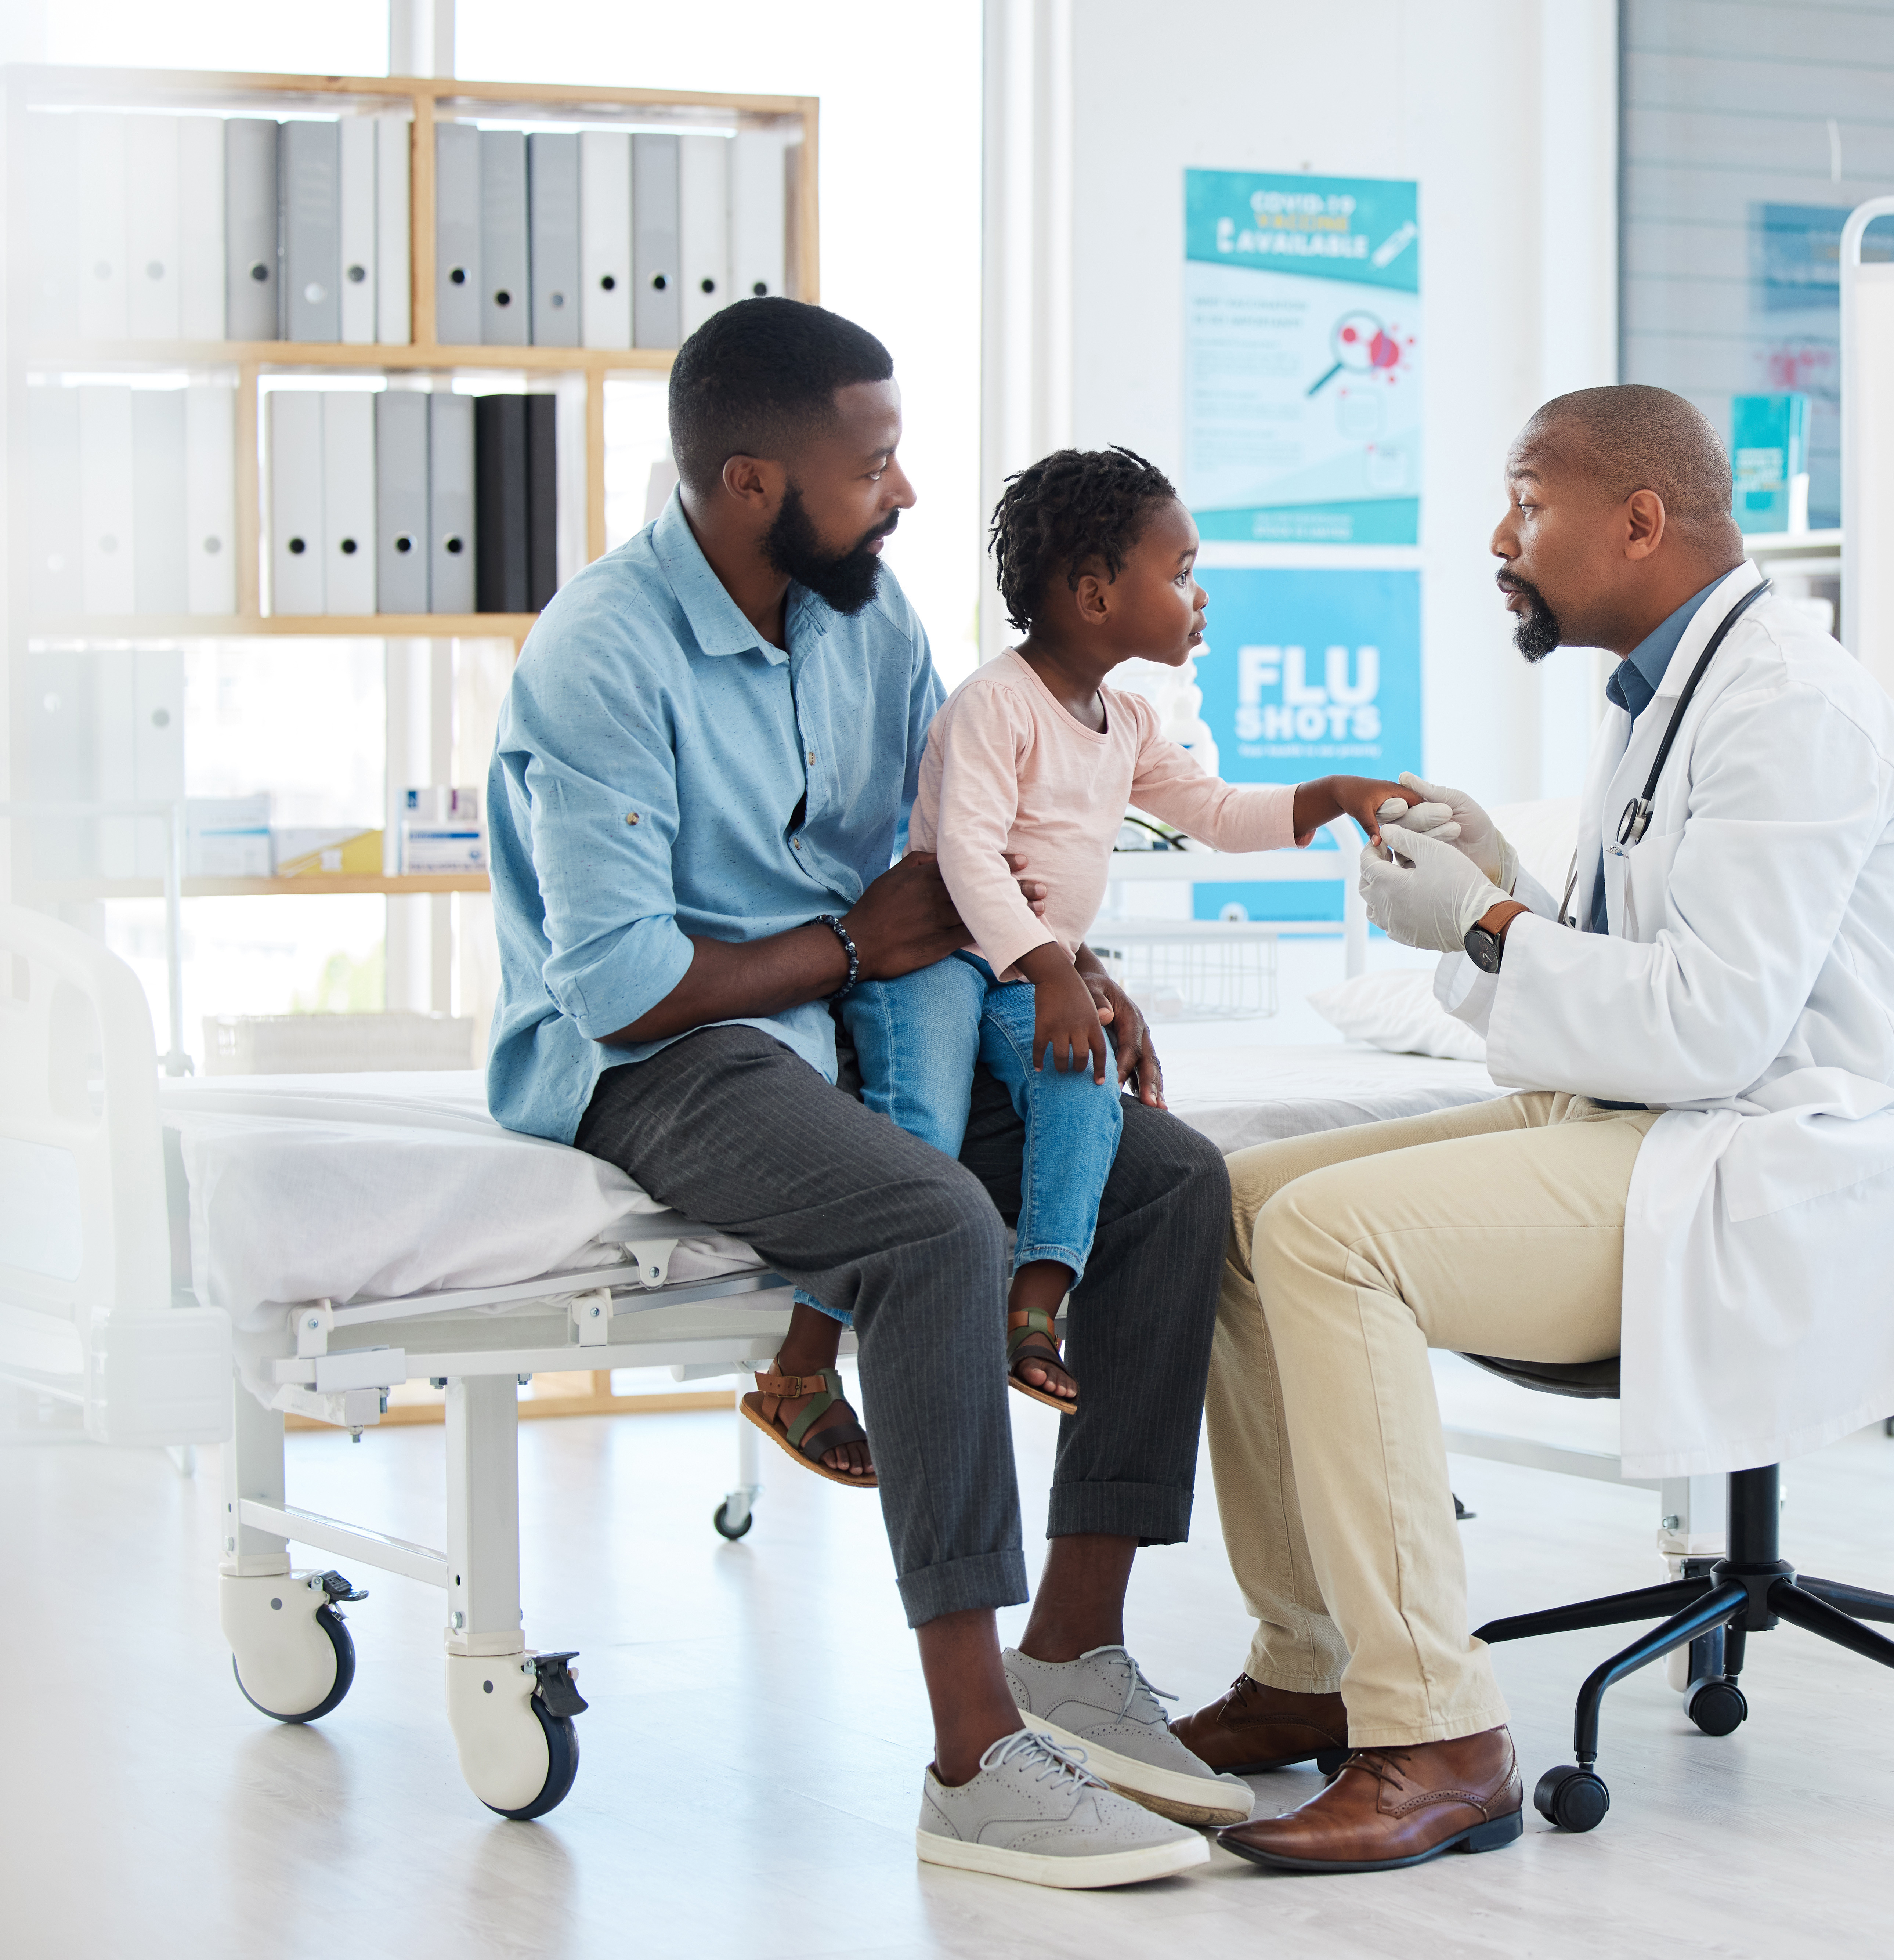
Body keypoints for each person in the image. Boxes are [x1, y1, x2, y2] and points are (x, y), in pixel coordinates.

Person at [1172, 384, 1894, 1873]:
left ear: (1640, 521)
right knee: (1235, 1200)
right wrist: (1504, 884)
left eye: (1528, 503)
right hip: (1677, 1117)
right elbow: (1629, 974)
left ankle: (1437, 1734)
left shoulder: (1790, 708)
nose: (1496, 537)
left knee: (1325, 1238)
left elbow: (1713, 1025)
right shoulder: (1671, 692)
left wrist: (1498, 919)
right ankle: (1308, 1666)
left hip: (1790, 1161)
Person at [485, 297, 1249, 1889]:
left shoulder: (866, 619)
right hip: (659, 1060)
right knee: (929, 1225)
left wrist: (1065, 972)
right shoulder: (601, 653)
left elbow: (951, 855)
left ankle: (1071, 1650)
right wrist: (843, 944)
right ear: (756, 482)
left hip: (868, 1016)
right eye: (877, 463)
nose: (905, 495)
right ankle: (976, 1759)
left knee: (1169, 1177)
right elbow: (619, 984)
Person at [758, 444, 1413, 1436]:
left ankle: (1035, 1309)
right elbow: (968, 858)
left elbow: (1219, 810)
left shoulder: (1128, 722)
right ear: (1094, 593)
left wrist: (1330, 794)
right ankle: (803, 1363)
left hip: (1026, 973)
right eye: (1181, 571)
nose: (1199, 596)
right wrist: (1053, 967)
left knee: (1081, 1092)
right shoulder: (994, 704)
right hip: (936, 963)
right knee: (919, 1133)